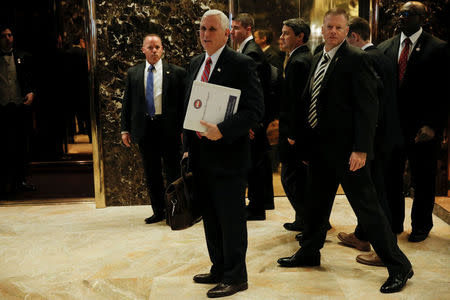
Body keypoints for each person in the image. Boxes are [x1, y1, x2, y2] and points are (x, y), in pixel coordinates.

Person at [277, 9, 413, 294]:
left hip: (348, 153)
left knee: (368, 210)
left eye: (339, 27)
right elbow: (310, 102)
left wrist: (361, 149)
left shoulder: (357, 59)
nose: (333, 32)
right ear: (323, 29)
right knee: (315, 205)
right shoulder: (318, 58)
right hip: (319, 151)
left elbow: (368, 108)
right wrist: (303, 144)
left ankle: (399, 265)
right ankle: (310, 252)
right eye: (329, 27)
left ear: (346, 30)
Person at [183, 9, 264, 298]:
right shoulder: (195, 63)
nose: (205, 35)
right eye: (202, 29)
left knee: (230, 219)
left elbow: (255, 111)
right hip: (200, 158)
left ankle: (235, 276)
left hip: (229, 157)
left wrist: (224, 129)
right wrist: (186, 149)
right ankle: (218, 267)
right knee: (210, 217)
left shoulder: (241, 64)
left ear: (226, 33)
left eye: (212, 30)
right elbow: (188, 109)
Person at [378, 1, 448, 242]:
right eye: (400, 13)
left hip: (423, 129)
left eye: (407, 14)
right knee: (391, 179)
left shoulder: (438, 48)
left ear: (422, 18)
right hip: (392, 128)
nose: (401, 17)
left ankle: (421, 226)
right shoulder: (385, 47)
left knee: (423, 179)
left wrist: (433, 125)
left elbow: (444, 93)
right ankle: (394, 223)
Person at [338, 16, 403, 267]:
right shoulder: (380, 55)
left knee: (376, 195)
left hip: (377, 139)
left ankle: (384, 251)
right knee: (374, 191)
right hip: (384, 136)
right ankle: (363, 236)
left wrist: (362, 143)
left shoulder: (366, 59)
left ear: (353, 36)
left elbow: (369, 106)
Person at [121, 34, 186, 224]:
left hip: (169, 129)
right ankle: (159, 211)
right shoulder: (134, 73)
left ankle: (175, 211)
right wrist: (125, 129)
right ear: (143, 50)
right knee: (152, 173)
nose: (154, 50)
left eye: (157, 47)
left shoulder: (176, 72)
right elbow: (127, 103)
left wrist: (185, 129)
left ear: (163, 49)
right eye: (150, 47)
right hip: (144, 129)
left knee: (173, 171)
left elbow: (184, 103)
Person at [231, 13, 274, 220]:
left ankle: (257, 207)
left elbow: (254, 92)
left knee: (256, 163)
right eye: (232, 27)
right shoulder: (245, 50)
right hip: (253, 118)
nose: (233, 31)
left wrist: (250, 121)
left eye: (237, 28)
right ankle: (256, 205)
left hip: (254, 119)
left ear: (248, 30)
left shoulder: (252, 53)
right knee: (253, 162)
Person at [277, 18, 312, 234]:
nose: (281, 37)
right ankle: (303, 220)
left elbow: (298, 102)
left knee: (291, 177)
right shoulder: (298, 57)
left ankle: (310, 222)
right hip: (295, 130)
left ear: (300, 36)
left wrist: (293, 133)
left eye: (286, 33)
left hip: (295, 132)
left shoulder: (300, 61)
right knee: (296, 178)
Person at [0, 25, 36, 196]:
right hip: (2, 107)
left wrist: (31, 92)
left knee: (21, 145)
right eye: (4, 36)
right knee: (4, 146)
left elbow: (30, 79)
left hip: (19, 106)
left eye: (10, 35)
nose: (8, 38)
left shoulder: (23, 57)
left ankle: (20, 180)